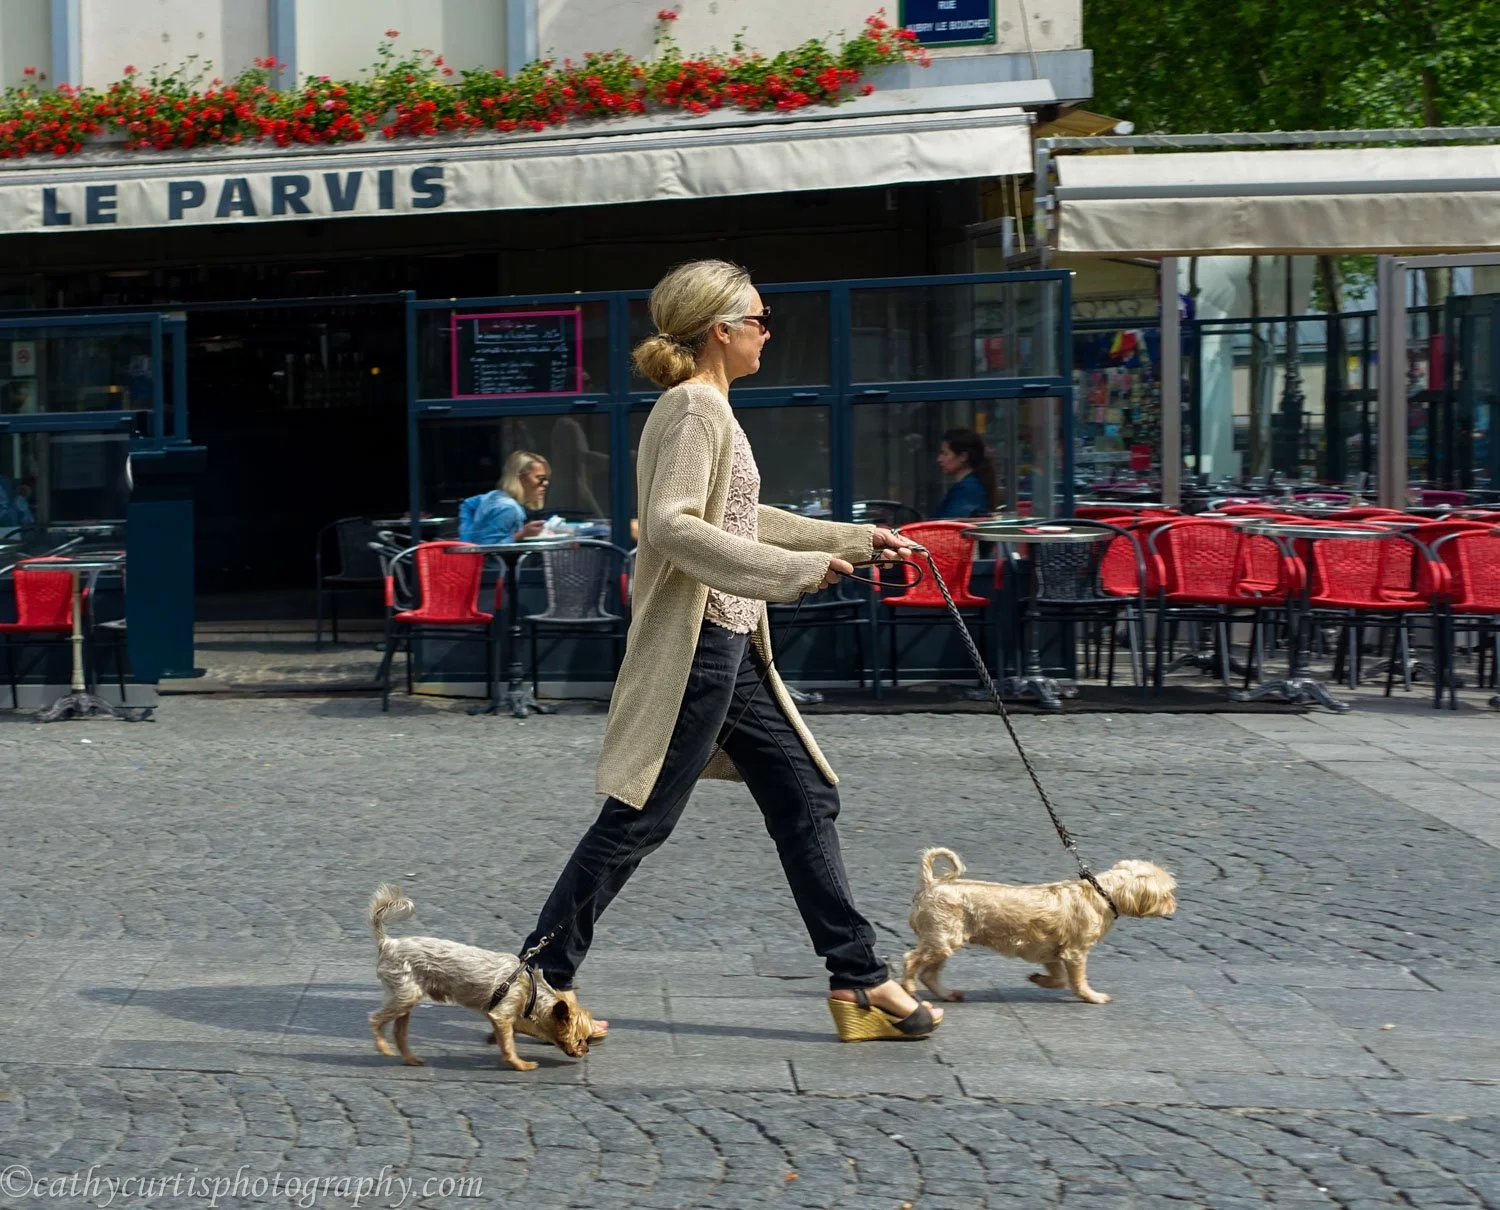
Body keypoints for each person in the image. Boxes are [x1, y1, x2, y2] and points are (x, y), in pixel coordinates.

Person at [521, 259, 943, 1043]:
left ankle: (859, 979)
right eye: (758, 318)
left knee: (806, 801)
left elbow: (745, 517)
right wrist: (798, 572)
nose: (767, 331)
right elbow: (674, 525)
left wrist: (855, 540)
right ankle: (536, 981)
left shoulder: (710, 407)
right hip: (699, 646)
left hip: (735, 641)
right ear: (720, 328)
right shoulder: (693, 409)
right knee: (637, 819)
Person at [458, 451, 550, 544]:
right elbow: (488, 549)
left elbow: (468, 504)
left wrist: (466, 539)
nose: (546, 483)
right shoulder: (508, 508)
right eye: (540, 478)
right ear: (521, 478)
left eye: (546, 479)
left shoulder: (496, 495)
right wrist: (522, 534)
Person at [932, 427, 998, 519]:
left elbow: (949, 525)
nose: (939, 459)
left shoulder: (969, 489)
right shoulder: (968, 486)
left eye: (945, 454)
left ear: (963, 456)